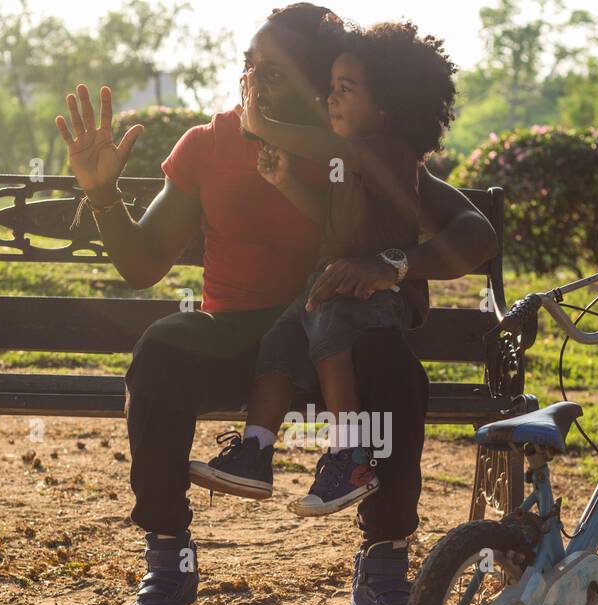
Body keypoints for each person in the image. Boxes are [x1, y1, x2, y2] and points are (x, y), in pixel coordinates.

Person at [54, 3, 497, 605]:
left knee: (396, 375)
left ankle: (383, 570)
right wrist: (101, 193)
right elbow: (142, 263)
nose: (255, 81)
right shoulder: (209, 144)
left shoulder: (356, 153)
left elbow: (474, 231)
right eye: (250, 65)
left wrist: (395, 263)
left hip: (334, 347)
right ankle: (168, 563)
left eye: (276, 71)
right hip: (241, 336)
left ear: (323, 84)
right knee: (159, 354)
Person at [188, 22, 457, 520]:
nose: (331, 99)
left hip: (375, 294)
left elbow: (340, 154)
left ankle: (351, 457)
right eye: (330, 88)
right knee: (281, 341)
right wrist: (287, 181)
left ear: (385, 107)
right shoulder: (346, 163)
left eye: (345, 90)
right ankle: (256, 450)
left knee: (328, 335)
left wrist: (261, 124)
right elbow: (329, 223)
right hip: (331, 284)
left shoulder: (384, 151)